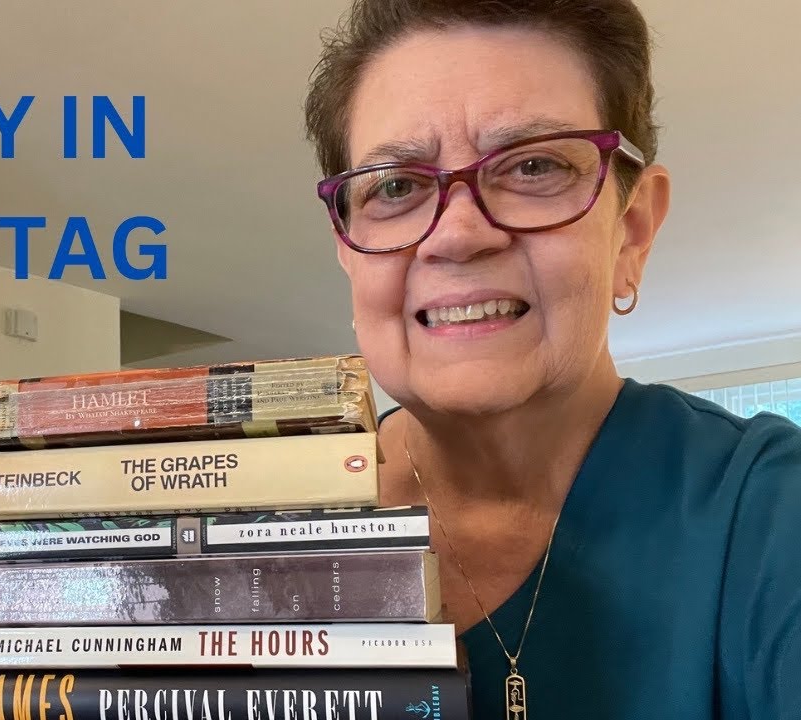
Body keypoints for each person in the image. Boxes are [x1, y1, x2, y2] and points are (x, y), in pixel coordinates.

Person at [303, 1, 800, 718]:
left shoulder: (771, 513)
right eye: (397, 187)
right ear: (349, 253)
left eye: (534, 166)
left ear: (632, 230)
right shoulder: (240, 529)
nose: (458, 235)